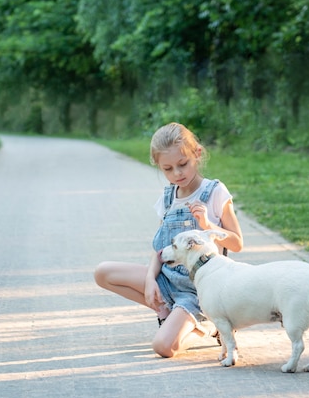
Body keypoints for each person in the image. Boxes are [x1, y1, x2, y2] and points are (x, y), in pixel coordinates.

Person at [94, 122, 244, 358]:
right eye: (168, 169)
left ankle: (211, 323)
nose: (177, 174)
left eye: (183, 165)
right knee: (103, 272)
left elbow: (237, 243)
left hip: (199, 291)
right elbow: (160, 251)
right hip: (168, 281)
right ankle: (165, 308)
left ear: (197, 153)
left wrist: (208, 226)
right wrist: (150, 279)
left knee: (163, 347)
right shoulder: (167, 199)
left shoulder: (214, 192)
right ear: (159, 166)